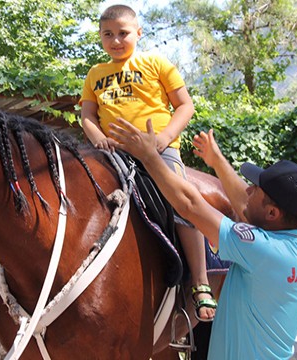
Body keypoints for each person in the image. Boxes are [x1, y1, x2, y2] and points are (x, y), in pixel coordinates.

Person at [109, 119, 297, 359]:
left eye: (256, 189)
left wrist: (148, 156)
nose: (248, 190)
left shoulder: (262, 250)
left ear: (273, 213)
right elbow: (244, 204)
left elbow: (189, 205)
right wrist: (217, 161)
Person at [79, 4, 216, 321]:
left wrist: (163, 138)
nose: (115, 41)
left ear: (138, 33)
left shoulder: (156, 63)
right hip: (112, 152)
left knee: (183, 201)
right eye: (108, 34)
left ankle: (199, 281)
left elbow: (185, 105)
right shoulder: (95, 74)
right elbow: (87, 115)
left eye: (123, 33)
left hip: (157, 150)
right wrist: (97, 137)